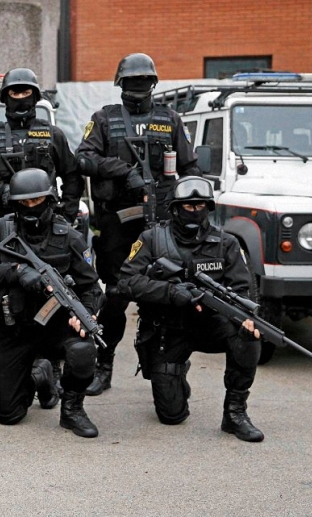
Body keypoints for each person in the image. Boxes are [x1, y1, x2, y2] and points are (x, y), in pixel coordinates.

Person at [75, 52, 201, 396]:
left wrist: (190, 206)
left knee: (168, 297)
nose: (138, 86)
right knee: (115, 297)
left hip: (163, 225)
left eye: (143, 80)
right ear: (121, 84)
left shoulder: (170, 119)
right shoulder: (104, 119)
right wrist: (123, 172)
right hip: (118, 225)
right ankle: (104, 364)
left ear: (153, 83)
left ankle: (172, 367)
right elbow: (83, 158)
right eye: (132, 81)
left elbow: (190, 168)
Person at [116, 176, 264, 442]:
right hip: (168, 328)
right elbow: (127, 282)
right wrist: (171, 293)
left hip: (211, 325)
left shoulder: (226, 243)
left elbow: (242, 291)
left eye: (200, 206)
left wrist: (247, 320)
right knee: (172, 415)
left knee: (248, 336)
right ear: (174, 208)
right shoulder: (152, 239)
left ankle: (235, 413)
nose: (195, 211)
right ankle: (177, 372)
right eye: (188, 206)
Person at [0, 68, 84, 399]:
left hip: (45, 226)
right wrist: (1, 190)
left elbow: (72, 176)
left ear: (35, 97)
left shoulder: (53, 134)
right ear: (4, 97)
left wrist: (66, 215)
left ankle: (52, 366)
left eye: (26, 93)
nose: (20, 99)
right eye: (14, 93)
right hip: (2, 228)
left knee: (54, 293)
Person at [0, 169, 103, 438]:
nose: (31, 207)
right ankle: (40, 375)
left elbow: (91, 286)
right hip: (13, 327)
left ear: (50, 200)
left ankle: (72, 410)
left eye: (37, 201)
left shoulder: (69, 236)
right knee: (8, 414)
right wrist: (17, 272)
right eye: (24, 202)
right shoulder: (2, 229)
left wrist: (87, 313)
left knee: (83, 350)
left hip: (56, 326)